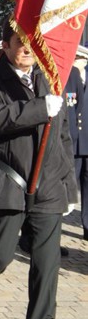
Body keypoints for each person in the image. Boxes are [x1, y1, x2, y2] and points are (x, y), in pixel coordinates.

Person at [0, 19, 77, 319]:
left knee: (46, 264)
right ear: (6, 46)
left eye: (33, 43)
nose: (27, 49)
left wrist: (70, 187)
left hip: (49, 185)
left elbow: (62, 137)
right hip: (7, 180)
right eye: (20, 42)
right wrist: (40, 108)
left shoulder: (52, 78)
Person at [65, 44, 88, 241]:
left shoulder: (77, 76)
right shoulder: (66, 75)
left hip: (84, 142)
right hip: (69, 144)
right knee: (67, 189)